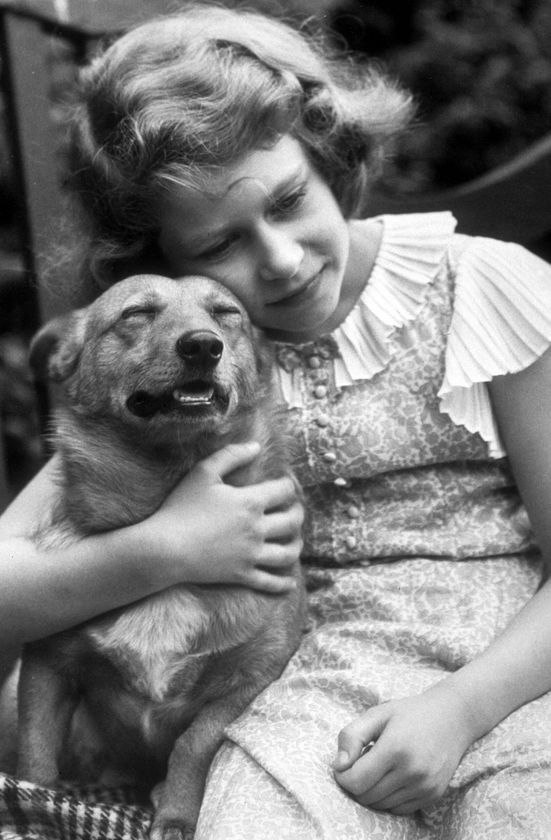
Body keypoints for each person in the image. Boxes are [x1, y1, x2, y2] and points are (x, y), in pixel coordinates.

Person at [2, 3, 551, 839]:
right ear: (163, 264)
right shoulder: (199, 369)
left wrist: (460, 708)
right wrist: (159, 549)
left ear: (327, 154)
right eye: (220, 247)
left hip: (510, 677)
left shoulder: (480, 288)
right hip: (307, 693)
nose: (283, 259)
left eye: (289, 199)